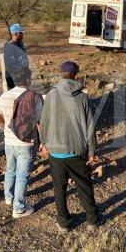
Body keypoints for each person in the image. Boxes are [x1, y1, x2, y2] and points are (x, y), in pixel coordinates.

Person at [39, 61, 100, 232]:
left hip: (55, 152)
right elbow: (90, 127)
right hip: (77, 152)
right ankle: (92, 220)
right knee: (84, 186)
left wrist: (44, 143)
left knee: (59, 188)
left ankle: (64, 223)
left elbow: (44, 122)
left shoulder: (50, 96)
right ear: (76, 75)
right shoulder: (83, 98)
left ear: (60, 74)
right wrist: (92, 151)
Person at [0, 66, 43, 219]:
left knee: (10, 169)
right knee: (22, 175)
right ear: (28, 79)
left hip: (9, 141)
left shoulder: (4, 96)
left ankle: (9, 197)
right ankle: (19, 208)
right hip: (26, 142)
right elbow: (40, 122)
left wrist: (6, 129)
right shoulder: (34, 97)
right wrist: (43, 141)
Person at [3, 23, 30, 90]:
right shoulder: (9, 46)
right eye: (21, 33)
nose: (22, 34)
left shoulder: (20, 43)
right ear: (15, 34)